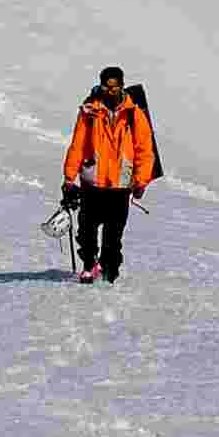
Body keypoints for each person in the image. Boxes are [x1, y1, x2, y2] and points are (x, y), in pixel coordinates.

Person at [56, 66, 159, 282]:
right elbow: (77, 144)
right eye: (106, 86)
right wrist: (69, 177)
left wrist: (141, 181)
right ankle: (89, 265)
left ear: (121, 85)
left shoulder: (134, 114)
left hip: (121, 184)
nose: (110, 91)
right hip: (91, 180)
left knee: (114, 235)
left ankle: (109, 269)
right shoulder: (89, 111)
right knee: (86, 230)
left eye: (114, 87)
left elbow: (144, 149)